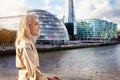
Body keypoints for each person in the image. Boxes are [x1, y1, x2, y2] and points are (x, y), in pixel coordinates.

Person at [15, 13, 60, 80]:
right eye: (36, 24)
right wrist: (47, 79)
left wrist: (47, 78)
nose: (39, 27)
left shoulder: (28, 43)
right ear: (27, 26)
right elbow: (33, 72)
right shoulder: (26, 45)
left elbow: (31, 71)